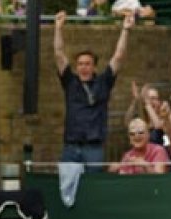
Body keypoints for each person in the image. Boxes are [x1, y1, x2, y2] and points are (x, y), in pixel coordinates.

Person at [54, 10, 134, 172]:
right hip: (71, 145)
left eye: (88, 63)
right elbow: (59, 54)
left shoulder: (103, 82)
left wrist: (125, 29)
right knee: (67, 188)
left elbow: (118, 56)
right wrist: (58, 28)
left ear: (94, 66)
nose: (84, 67)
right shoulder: (70, 82)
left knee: (92, 185)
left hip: (94, 147)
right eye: (81, 64)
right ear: (77, 67)